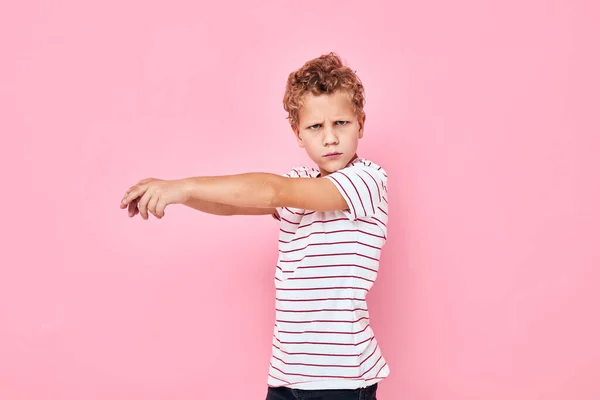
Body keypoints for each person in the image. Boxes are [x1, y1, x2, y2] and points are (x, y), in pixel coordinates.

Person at [120, 52, 389, 399]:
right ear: (298, 133)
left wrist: (184, 185)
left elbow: (271, 190)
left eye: (341, 123)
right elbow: (234, 203)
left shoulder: (367, 180)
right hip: (288, 373)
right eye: (315, 127)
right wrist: (178, 196)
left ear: (361, 123)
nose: (330, 138)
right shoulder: (301, 180)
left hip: (339, 376)